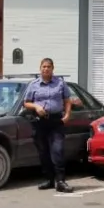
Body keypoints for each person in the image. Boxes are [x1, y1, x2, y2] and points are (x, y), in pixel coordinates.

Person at [22, 58, 73, 193]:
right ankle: (49, 179)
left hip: (56, 121)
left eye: (48, 67)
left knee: (58, 150)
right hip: (40, 122)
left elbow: (67, 101)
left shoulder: (60, 84)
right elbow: (26, 103)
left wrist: (67, 115)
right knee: (43, 152)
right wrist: (36, 106)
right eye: (44, 66)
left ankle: (61, 181)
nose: (46, 69)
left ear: (52, 69)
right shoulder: (34, 85)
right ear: (40, 68)